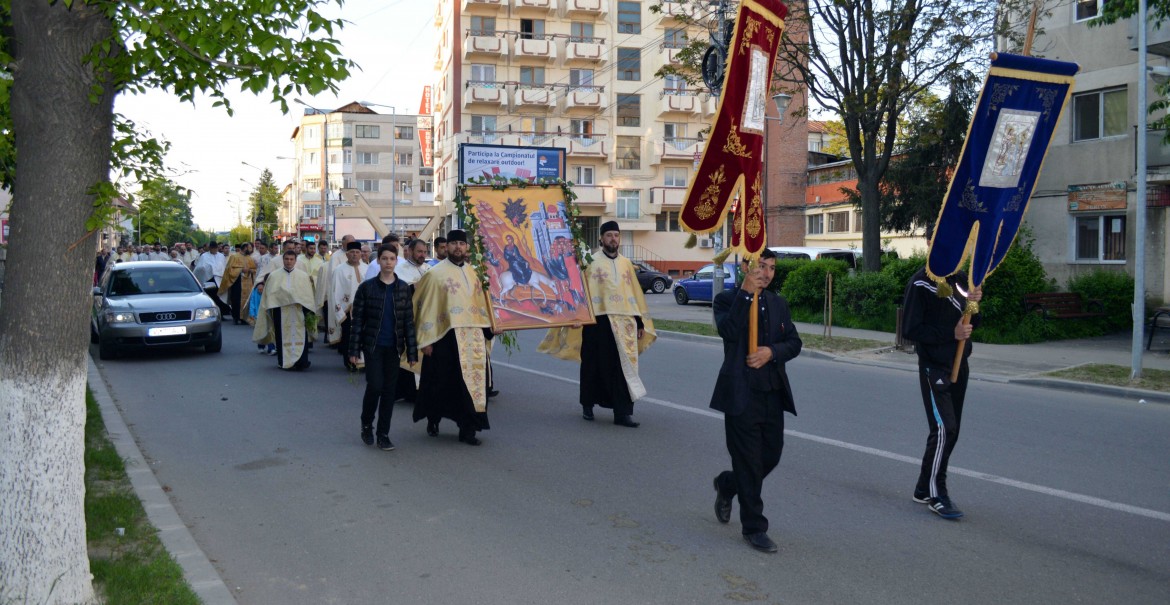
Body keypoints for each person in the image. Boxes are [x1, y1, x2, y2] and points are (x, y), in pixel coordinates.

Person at [710, 249, 802, 554]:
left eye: (772, 268)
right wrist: (746, 294)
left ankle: (728, 484)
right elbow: (729, 331)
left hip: (772, 393)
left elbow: (794, 342)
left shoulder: (779, 304)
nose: (767, 272)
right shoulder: (726, 300)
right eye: (761, 266)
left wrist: (771, 352)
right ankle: (754, 527)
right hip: (740, 395)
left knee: (771, 456)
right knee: (749, 461)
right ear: (747, 266)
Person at [539, 221, 656, 427]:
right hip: (597, 320)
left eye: (616, 235)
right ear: (601, 239)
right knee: (593, 364)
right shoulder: (590, 261)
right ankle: (587, 405)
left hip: (625, 320)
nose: (613, 239)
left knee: (623, 367)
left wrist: (639, 322)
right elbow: (580, 290)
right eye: (609, 235)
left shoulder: (627, 263)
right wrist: (577, 317)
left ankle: (622, 413)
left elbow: (633, 295)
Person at [901, 267, 982, 520]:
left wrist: (974, 303)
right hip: (934, 366)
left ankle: (924, 487)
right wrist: (951, 334)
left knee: (950, 430)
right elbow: (910, 329)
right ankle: (938, 494)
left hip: (959, 364)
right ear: (932, 245)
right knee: (944, 428)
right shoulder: (920, 283)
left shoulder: (960, 282)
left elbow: (972, 323)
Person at [411, 229, 495, 445]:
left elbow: (484, 304)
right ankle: (434, 418)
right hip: (445, 337)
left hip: (473, 337)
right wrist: (426, 340)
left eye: (462, 243)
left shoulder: (476, 273)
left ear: (467, 247)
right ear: (446, 246)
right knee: (440, 383)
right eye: (454, 243)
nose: (458, 247)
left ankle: (468, 429)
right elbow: (425, 307)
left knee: (473, 385)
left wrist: (492, 326)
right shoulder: (435, 274)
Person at [348, 244, 418, 451]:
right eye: (384, 258)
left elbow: (408, 322)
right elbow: (358, 320)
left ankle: (383, 434)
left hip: (394, 348)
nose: (388, 262)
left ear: (396, 261)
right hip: (373, 346)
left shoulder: (403, 288)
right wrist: (353, 350)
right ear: (378, 261)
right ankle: (367, 423)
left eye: (392, 259)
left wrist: (412, 351)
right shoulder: (367, 288)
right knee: (375, 386)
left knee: (389, 392)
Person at [253, 250, 316, 371]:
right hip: (280, 311)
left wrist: (308, 311)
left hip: (298, 311)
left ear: (295, 261)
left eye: (291, 259)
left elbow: (308, 295)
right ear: (283, 260)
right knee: (281, 335)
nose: (289, 262)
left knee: (301, 334)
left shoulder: (303, 276)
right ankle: (283, 361)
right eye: (286, 259)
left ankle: (301, 361)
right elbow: (269, 295)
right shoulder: (274, 276)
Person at [327, 241, 368, 369]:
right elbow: (335, 292)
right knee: (348, 337)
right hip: (347, 310)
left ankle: (363, 362)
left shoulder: (367, 268)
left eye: (357, 252)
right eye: (352, 252)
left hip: (365, 309)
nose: (355, 255)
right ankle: (350, 362)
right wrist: (341, 312)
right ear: (347, 254)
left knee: (364, 335)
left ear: (361, 254)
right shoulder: (339, 270)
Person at [219, 242, 257, 325]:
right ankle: (236, 317)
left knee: (247, 300)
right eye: (249, 248)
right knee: (236, 300)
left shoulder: (249, 258)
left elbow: (254, 269)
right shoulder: (234, 256)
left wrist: (251, 270)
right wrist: (240, 270)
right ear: (245, 248)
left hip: (248, 283)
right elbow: (229, 269)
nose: (251, 250)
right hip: (237, 281)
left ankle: (244, 318)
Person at [194, 240, 230, 316]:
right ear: (210, 248)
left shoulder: (221, 256)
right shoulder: (204, 256)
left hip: (220, 279)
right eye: (212, 248)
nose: (214, 250)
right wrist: (209, 268)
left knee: (220, 297)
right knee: (212, 297)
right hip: (209, 279)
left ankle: (222, 314)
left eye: (215, 248)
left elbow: (223, 266)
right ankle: (212, 313)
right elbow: (200, 267)